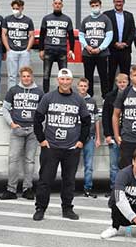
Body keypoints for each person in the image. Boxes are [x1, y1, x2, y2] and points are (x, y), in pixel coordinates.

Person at [33, 68, 92, 221]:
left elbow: (86, 121)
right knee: (45, 180)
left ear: (71, 81)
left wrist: (81, 141)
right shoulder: (48, 97)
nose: (65, 82)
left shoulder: (78, 100)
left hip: (71, 148)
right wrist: (41, 139)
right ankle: (40, 208)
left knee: (69, 181)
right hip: (51, 147)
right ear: (58, 80)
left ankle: (67, 208)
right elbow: (37, 119)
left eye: (67, 79)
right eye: (62, 79)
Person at [0, 65, 43, 200]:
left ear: (32, 77)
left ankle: (27, 189)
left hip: (32, 131)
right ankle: (11, 190)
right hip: (17, 130)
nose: (26, 78)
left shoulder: (39, 92)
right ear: (20, 77)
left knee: (30, 161)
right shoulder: (13, 90)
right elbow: (5, 109)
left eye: (28, 76)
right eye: (24, 76)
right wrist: (11, 123)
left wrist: (39, 126)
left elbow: (43, 111)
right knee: (13, 160)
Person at [38, 0, 76, 93]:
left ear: (62, 5)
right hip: (49, 50)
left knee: (64, 75)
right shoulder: (46, 18)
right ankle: (46, 94)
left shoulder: (67, 19)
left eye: (59, 3)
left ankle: (62, 93)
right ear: (53, 5)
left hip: (62, 51)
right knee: (46, 74)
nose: (57, 5)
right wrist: (41, 49)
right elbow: (42, 35)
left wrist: (71, 49)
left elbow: (71, 36)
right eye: (56, 3)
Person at [80, 0, 114, 98]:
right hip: (88, 54)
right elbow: (81, 35)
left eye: (97, 5)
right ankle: (88, 96)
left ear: (100, 6)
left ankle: (105, 97)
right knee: (88, 76)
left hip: (102, 54)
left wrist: (100, 48)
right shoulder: (86, 20)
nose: (95, 7)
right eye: (93, 6)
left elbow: (109, 35)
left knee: (104, 76)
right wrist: (87, 46)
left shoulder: (106, 19)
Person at [76, 77, 103, 197]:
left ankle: (88, 188)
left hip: (90, 137)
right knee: (72, 164)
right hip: (75, 137)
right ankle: (70, 187)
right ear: (78, 87)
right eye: (81, 86)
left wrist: (98, 137)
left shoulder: (92, 101)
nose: (83, 88)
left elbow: (96, 120)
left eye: (85, 86)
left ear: (88, 87)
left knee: (89, 165)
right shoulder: (73, 99)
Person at [103, 73, 129, 190]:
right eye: (119, 82)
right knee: (114, 165)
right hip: (113, 135)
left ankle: (125, 188)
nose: (122, 84)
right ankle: (114, 189)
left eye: (124, 82)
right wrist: (107, 135)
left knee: (127, 165)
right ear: (116, 83)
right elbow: (105, 117)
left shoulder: (132, 95)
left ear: (128, 82)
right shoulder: (109, 97)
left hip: (128, 136)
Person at [105, 0, 136, 89]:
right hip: (112, 50)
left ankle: (126, 93)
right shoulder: (107, 15)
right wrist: (114, 43)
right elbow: (105, 31)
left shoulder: (129, 15)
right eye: (117, 1)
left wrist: (126, 43)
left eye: (120, 2)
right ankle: (109, 94)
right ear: (114, 2)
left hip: (125, 50)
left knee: (125, 74)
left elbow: (132, 31)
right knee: (110, 74)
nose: (119, 3)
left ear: (123, 3)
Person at [3, 0, 34, 90]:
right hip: (12, 51)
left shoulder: (28, 20)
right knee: (11, 76)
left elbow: (31, 35)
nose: (15, 10)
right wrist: (8, 48)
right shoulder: (7, 19)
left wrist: (28, 49)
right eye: (14, 8)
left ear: (22, 8)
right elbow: (4, 34)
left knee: (25, 75)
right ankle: (11, 95)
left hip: (24, 51)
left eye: (17, 8)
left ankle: (23, 93)